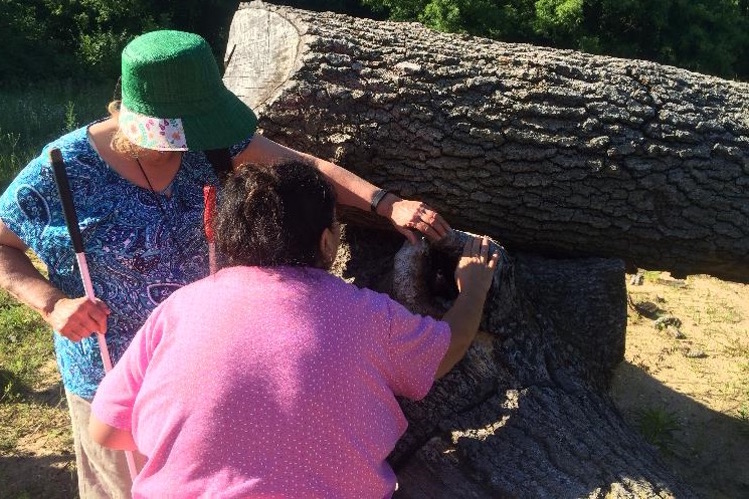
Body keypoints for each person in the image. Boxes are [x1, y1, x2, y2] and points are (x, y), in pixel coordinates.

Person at [0, 30, 450, 498]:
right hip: (111, 384)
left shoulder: (209, 140)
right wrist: (51, 304)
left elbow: (304, 169)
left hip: (205, 378)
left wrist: (384, 203)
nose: (202, 139)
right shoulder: (60, 172)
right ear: (149, 121)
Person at [88, 161, 498, 497]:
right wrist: (473, 291)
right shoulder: (367, 314)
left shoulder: (178, 308)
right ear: (326, 242)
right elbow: (444, 349)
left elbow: (105, 428)